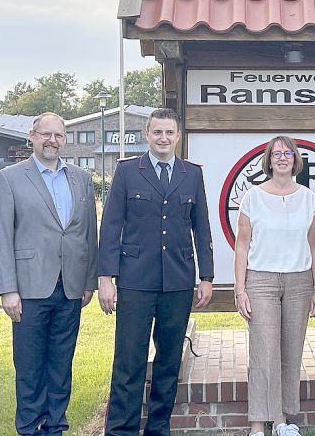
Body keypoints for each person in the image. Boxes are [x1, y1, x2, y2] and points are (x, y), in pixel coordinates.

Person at [98, 107, 214, 436]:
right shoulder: (127, 172)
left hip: (177, 280)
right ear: (147, 135)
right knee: (129, 362)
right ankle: (121, 429)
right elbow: (111, 226)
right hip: (135, 280)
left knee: (168, 362)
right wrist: (106, 277)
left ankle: (158, 428)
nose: (163, 138)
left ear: (178, 137)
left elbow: (201, 227)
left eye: (169, 133)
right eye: (157, 132)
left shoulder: (192, 174)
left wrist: (206, 276)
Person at [0, 112, 98, 436]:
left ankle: (55, 427)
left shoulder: (81, 178)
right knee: (29, 366)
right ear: (32, 137)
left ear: (65, 139)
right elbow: (2, 236)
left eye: (59, 136)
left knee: (61, 364)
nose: (53, 141)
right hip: (28, 289)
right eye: (46, 135)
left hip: (70, 288)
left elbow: (88, 234)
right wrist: (8, 289)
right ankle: (28, 427)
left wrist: (88, 283)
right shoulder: (9, 178)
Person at [233, 136, 315, 436]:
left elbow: (314, 247)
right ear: (269, 160)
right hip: (261, 281)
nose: (283, 157)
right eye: (276, 154)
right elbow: (242, 246)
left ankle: (282, 421)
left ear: (296, 159)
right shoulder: (253, 197)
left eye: (288, 153)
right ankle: (258, 425)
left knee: (290, 353)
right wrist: (240, 289)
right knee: (264, 352)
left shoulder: (308, 198)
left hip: (299, 282)